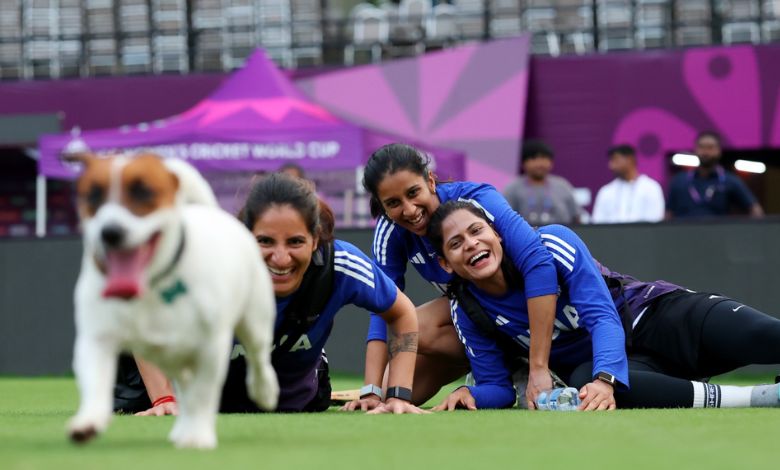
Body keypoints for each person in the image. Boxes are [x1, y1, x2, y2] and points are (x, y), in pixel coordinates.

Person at [118, 173, 425, 415]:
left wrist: (397, 395)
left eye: (295, 242)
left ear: (315, 239)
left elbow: (402, 313)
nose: (280, 258)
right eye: (265, 241)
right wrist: (164, 399)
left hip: (296, 402)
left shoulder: (340, 264)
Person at [428, 200, 780, 410]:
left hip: (659, 317)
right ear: (445, 263)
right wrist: (470, 393)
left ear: (497, 233)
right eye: (456, 243)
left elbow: (601, 316)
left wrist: (606, 377)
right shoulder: (467, 309)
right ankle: (764, 397)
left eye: (477, 231)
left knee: (765, 335)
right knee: (587, 384)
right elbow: (498, 387)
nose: (471, 244)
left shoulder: (551, 244)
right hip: (632, 369)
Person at [341, 143, 559, 411]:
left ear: (431, 181)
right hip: (478, 320)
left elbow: (538, 264)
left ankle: (530, 363)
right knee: (390, 390)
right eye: (394, 203)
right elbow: (382, 306)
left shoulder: (477, 200)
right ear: (382, 206)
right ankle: (500, 369)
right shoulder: (390, 232)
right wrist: (371, 391)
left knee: (415, 326)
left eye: (413, 193)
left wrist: (539, 366)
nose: (409, 210)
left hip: (532, 311)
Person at [666, 131, 763, 219]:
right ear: (695, 149)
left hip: (719, 231)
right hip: (683, 231)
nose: (705, 152)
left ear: (719, 150)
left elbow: (755, 209)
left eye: (710, 147)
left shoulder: (729, 181)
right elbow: (668, 214)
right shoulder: (679, 181)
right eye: (701, 147)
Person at [502, 139, 582, 226]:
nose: (539, 164)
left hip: (560, 233)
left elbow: (576, 218)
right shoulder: (513, 189)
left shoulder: (562, 186)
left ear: (551, 162)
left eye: (544, 158)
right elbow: (505, 219)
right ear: (524, 163)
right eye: (534, 158)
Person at [591, 144, 665, 224]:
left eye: (615, 160)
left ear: (630, 159)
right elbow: (598, 223)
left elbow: (654, 221)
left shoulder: (651, 188)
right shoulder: (605, 191)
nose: (611, 166)